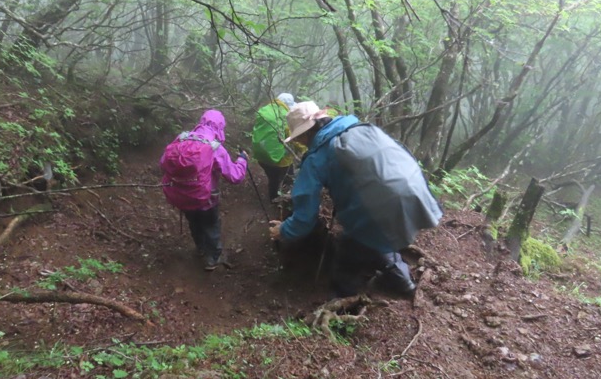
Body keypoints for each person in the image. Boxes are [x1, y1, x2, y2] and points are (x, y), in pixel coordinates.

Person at [268, 101, 442, 297]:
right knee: (374, 237)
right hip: (417, 194)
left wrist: (284, 230)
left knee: (347, 254)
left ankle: (342, 309)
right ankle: (401, 281)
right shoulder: (363, 129)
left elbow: (305, 216)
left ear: (308, 133)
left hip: (380, 210)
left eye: (299, 139)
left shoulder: (318, 157)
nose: (301, 144)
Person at [160, 110, 248, 270]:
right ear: (220, 127)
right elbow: (235, 177)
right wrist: (242, 160)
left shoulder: (182, 139)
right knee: (211, 224)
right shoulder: (215, 148)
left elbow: (163, 162)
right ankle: (212, 258)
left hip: (182, 195)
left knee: (194, 222)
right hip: (207, 198)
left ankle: (200, 248)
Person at [251, 93, 296, 201]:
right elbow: (292, 137)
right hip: (277, 159)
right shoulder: (286, 116)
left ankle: (282, 185)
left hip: (260, 153)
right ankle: (274, 198)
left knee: (273, 176)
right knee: (276, 178)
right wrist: (303, 148)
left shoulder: (265, 110)